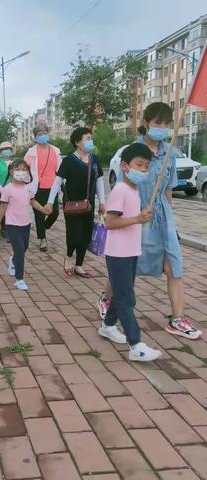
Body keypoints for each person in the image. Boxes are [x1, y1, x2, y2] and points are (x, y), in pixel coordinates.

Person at [98, 102, 202, 340]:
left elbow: (167, 191)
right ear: (146, 123)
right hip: (137, 213)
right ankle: (107, 299)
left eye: (166, 124)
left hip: (162, 217)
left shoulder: (170, 153)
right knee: (125, 267)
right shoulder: (133, 151)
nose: (162, 128)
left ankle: (177, 319)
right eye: (157, 123)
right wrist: (130, 215)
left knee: (173, 265)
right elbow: (125, 186)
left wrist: (171, 222)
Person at [99, 143, 162, 361]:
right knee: (127, 297)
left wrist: (140, 215)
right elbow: (110, 222)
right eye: (139, 165)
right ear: (125, 166)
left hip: (130, 251)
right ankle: (135, 344)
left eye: (146, 166)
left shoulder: (133, 190)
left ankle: (107, 326)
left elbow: (129, 218)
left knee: (122, 293)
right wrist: (137, 219)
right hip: (118, 253)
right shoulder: (120, 190)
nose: (143, 170)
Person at [46, 127, 105, 278]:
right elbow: (57, 182)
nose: (90, 141)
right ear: (77, 142)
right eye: (87, 138)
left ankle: (79, 265)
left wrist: (103, 202)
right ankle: (69, 257)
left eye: (91, 138)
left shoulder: (94, 160)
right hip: (71, 204)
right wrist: (50, 202)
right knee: (74, 234)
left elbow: (99, 181)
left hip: (89, 204)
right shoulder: (69, 161)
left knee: (86, 235)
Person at [0, 160, 50, 291]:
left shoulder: (28, 188)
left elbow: (33, 202)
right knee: (20, 249)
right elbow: (3, 206)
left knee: (24, 247)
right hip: (12, 224)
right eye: (18, 169)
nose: (21, 172)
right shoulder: (7, 189)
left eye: (24, 169)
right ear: (11, 172)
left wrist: (43, 210)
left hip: (25, 223)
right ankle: (19, 279)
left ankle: (13, 261)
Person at [25, 122, 62, 252]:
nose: (42, 136)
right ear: (35, 137)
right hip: (37, 186)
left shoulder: (55, 151)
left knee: (55, 212)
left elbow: (60, 169)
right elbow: (26, 170)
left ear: (48, 134)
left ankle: (44, 228)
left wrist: (63, 183)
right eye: (39, 134)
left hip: (52, 187)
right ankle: (42, 239)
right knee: (39, 213)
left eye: (44, 134)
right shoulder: (31, 152)